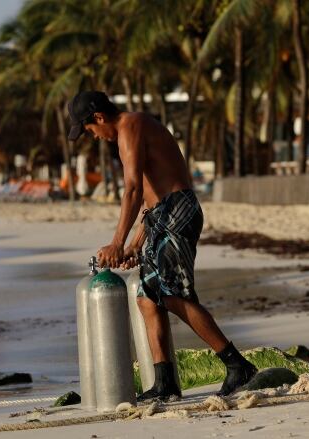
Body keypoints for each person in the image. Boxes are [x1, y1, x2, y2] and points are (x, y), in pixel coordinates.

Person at [67, 91, 257, 401]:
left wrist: (116, 243)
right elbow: (147, 200)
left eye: (89, 131)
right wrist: (132, 245)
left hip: (178, 211)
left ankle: (237, 365)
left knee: (172, 294)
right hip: (160, 215)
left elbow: (132, 188)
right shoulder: (128, 136)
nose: (94, 137)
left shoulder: (131, 126)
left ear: (99, 118)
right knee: (147, 297)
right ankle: (165, 381)